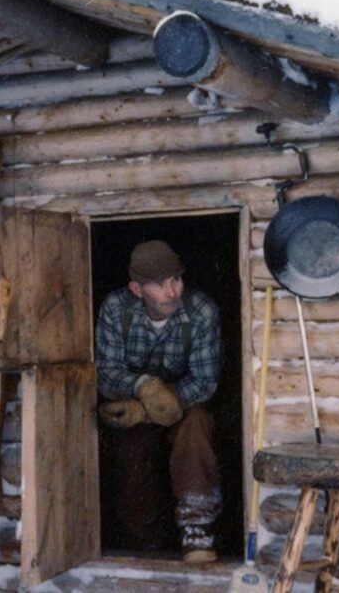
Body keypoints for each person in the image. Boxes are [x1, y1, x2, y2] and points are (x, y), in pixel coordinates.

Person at [96, 240, 222, 563]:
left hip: (185, 401)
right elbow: (107, 374)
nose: (172, 291)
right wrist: (144, 387)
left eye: (176, 279)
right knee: (131, 449)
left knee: (195, 426)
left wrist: (152, 408)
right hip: (135, 404)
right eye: (159, 284)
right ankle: (145, 541)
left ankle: (198, 528)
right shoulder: (115, 309)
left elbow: (205, 381)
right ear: (137, 289)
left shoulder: (202, 311)